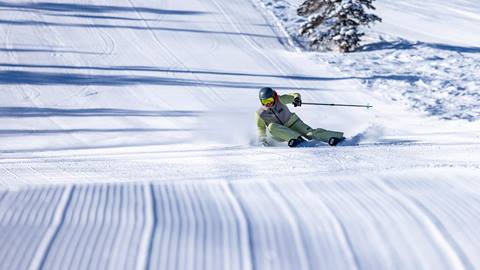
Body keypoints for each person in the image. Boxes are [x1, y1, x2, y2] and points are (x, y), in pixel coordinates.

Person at [256, 87, 345, 147]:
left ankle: (335, 137)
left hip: (293, 123)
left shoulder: (280, 99)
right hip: (280, 133)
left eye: (270, 100)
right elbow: (260, 128)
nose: (268, 103)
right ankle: (297, 139)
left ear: (274, 97)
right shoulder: (261, 113)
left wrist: (296, 99)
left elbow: (294, 95)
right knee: (271, 126)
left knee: (310, 133)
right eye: (265, 101)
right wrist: (263, 140)